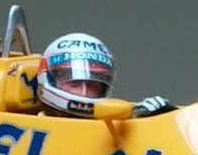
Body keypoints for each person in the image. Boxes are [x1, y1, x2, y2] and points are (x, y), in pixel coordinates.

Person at [36, 33, 176, 118]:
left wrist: (161, 123)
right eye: (74, 83)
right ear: (48, 78)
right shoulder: (27, 132)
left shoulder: (118, 128)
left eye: (92, 85)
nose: (84, 92)